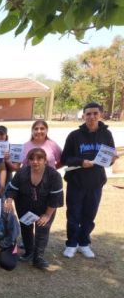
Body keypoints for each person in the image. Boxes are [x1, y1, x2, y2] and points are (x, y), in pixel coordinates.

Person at [61, 102, 116, 259]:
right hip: (76, 182)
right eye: (88, 114)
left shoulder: (107, 135)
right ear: (83, 115)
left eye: (95, 113)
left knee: (89, 215)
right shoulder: (74, 136)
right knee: (73, 214)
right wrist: (80, 162)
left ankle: (84, 243)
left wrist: (111, 160)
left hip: (96, 183)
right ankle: (71, 243)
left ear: (100, 115)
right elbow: (65, 158)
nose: (91, 117)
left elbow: (110, 158)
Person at [5, 148, 64, 270]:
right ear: (28, 161)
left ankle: (38, 258)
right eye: (32, 159)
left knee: (42, 230)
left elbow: (55, 197)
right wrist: (9, 200)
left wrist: (47, 215)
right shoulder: (22, 172)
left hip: (46, 208)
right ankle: (29, 252)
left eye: (39, 159)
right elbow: (12, 189)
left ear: (45, 160)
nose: (35, 162)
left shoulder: (54, 175)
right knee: (26, 228)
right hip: (24, 206)